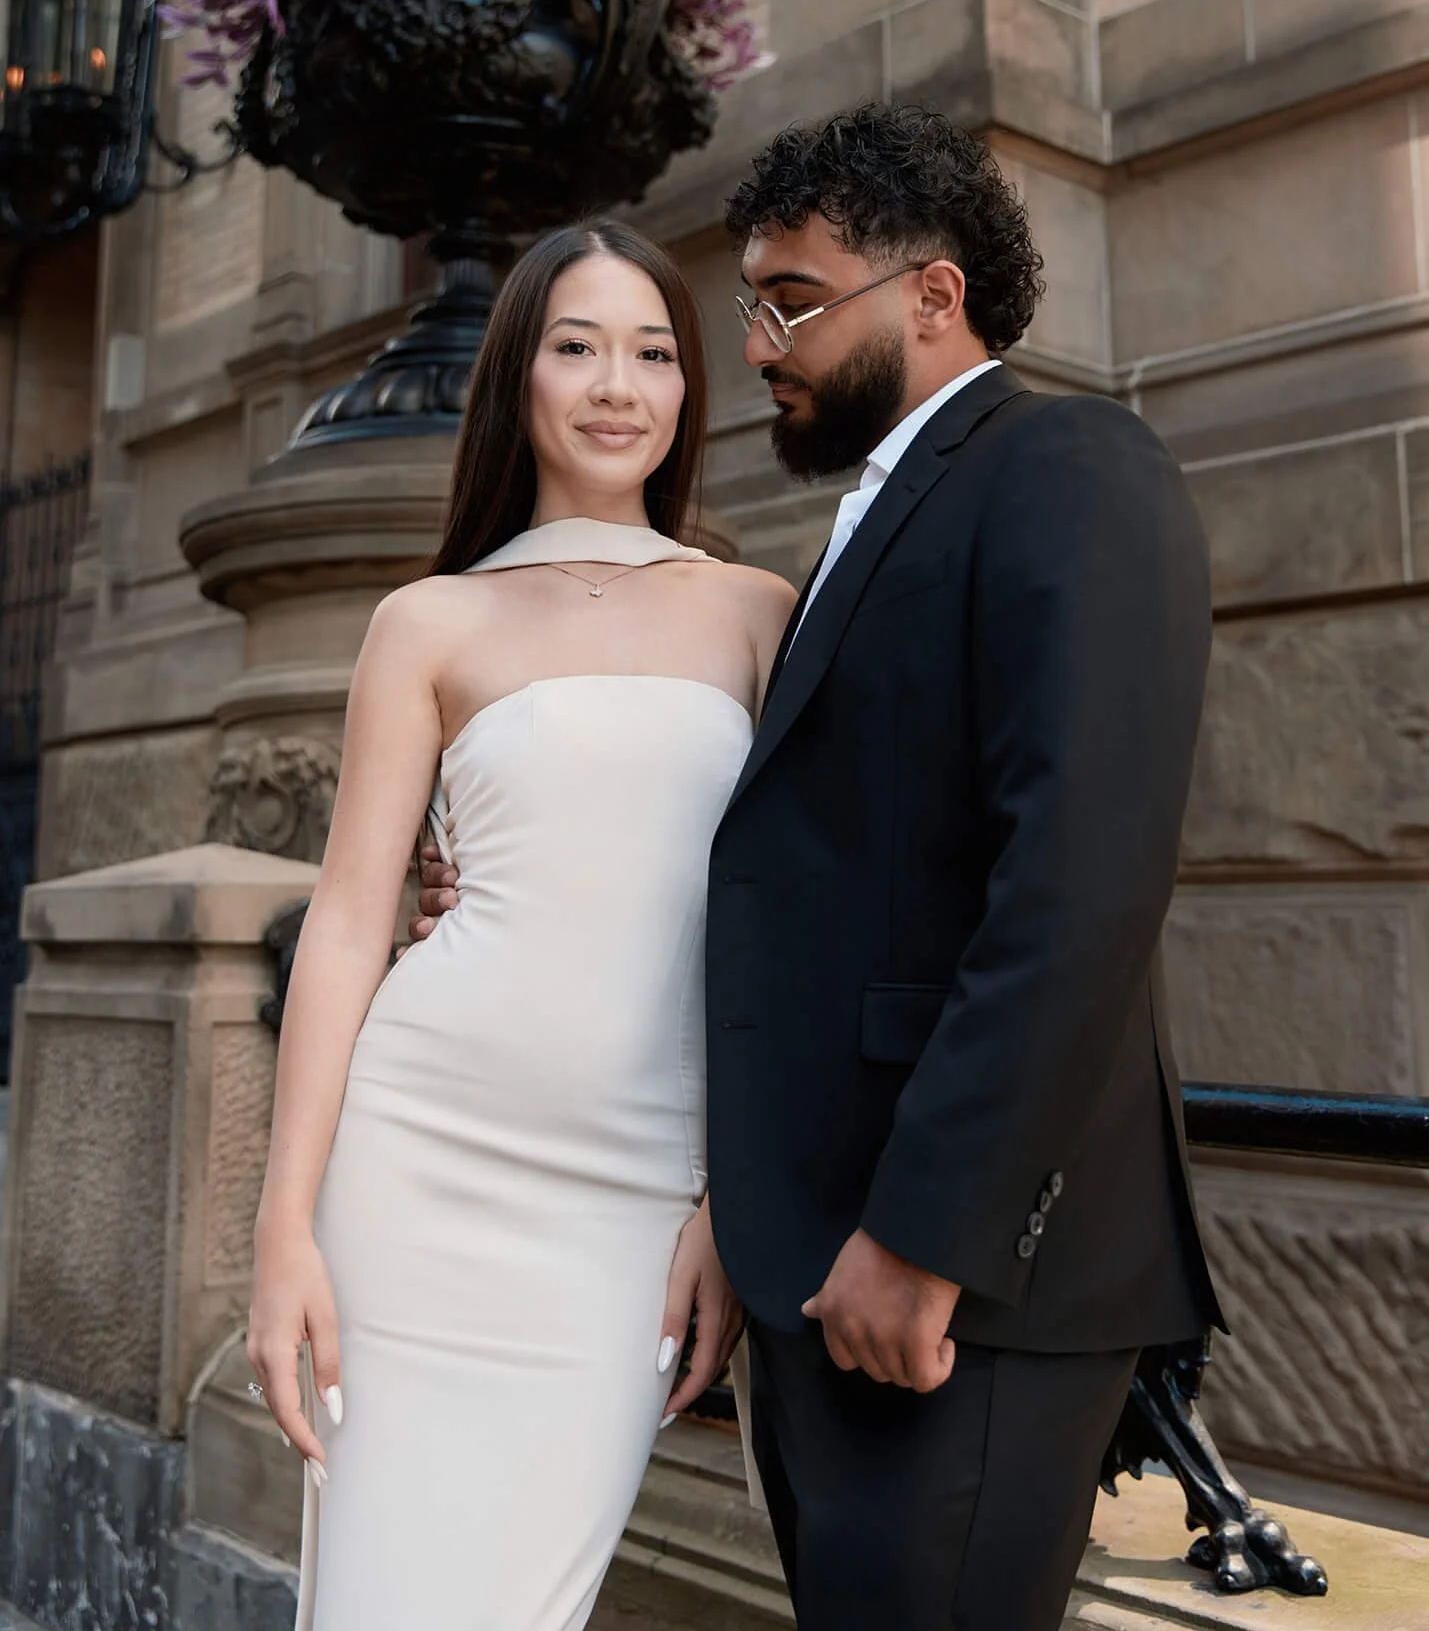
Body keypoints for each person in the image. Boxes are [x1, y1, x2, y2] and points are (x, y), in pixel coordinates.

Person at [416, 104, 1224, 1631]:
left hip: (952, 1288)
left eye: (793, 300)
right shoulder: (856, 528)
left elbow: (1079, 886)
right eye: (755, 304)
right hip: (820, 1277)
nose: (762, 343)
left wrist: (925, 1239)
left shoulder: (1068, 464)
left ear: (933, 296)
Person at [245, 219, 796, 1631]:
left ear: (689, 392)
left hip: (634, 1199)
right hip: (419, 1169)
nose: (618, 384)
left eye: (655, 352)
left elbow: (798, 929)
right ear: (521, 381)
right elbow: (353, 927)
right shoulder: (426, 622)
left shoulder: (758, 612)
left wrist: (733, 1199)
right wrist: (283, 1233)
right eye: (577, 346)